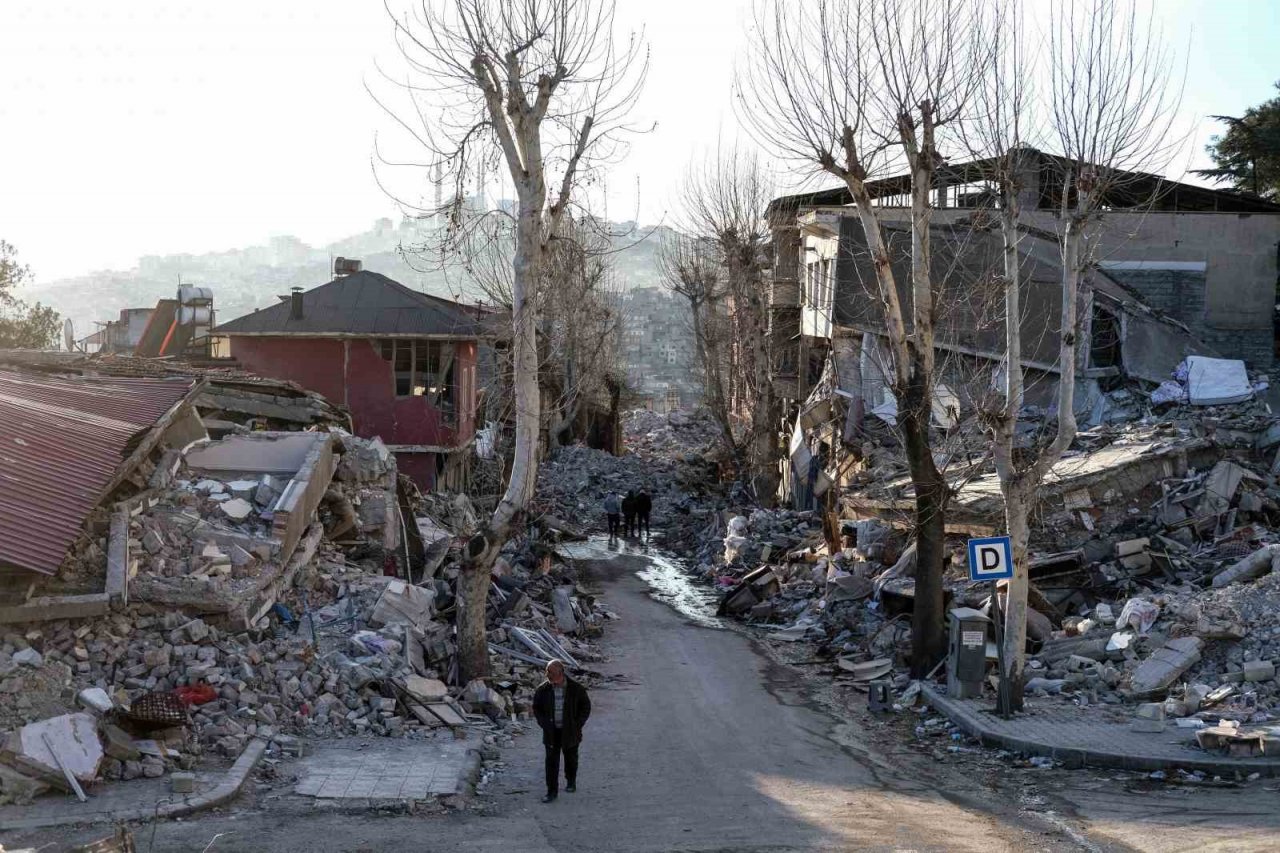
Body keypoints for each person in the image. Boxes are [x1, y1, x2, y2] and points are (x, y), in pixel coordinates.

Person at [532, 659, 591, 803]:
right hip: (552, 732)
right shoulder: (543, 689)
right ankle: (551, 792)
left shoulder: (576, 689)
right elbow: (537, 708)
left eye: (550, 672)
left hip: (570, 732)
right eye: (547, 671)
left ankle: (571, 781)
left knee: (571, 759)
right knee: (551, 762)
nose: (548, 675)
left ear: (560, 672)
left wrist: (577, 724)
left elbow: (585, 707)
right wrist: (544, 723)